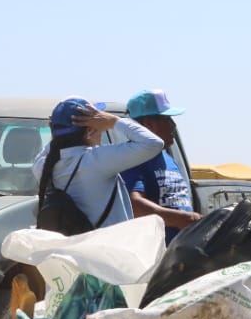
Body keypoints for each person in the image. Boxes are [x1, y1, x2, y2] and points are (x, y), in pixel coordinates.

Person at [34, 97, 164, 230]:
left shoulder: (41, 165)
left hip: (66, 248)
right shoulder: (96, 160)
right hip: (105, 248)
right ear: (89, 130)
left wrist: (58, 128)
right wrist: (114, 121)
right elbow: (153, 143)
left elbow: (56, 144)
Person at [121, 89, 201, 242]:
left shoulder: (167, 157)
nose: (173, 125)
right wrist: (182, 219)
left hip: (179, 251)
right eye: (167, 119)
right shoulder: (133, 157)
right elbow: (134, 205)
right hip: (154, 254)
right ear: (148, 123)